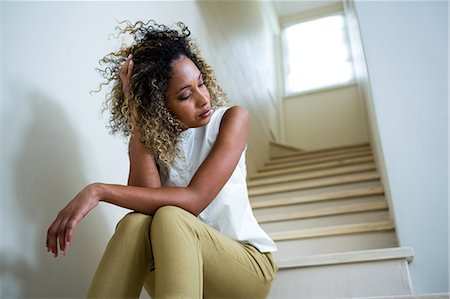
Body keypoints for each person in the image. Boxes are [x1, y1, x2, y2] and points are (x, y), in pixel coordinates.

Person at [46, 20, 277, 298]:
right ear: (158, 104)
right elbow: (146, 206)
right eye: (185, 95)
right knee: (135, 224)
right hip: (179, 267)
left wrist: (99, 191)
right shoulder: (150, 140)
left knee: (171, 216)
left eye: (201, 83)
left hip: (245, 268)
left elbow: (194, 200)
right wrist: (137, 114)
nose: (203, 99)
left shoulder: (231, 119)